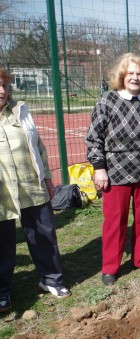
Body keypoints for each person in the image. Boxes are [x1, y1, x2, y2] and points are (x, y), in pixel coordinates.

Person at [85, 53, 140, 286]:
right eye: (130, 73)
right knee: (114, 222)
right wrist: (99, 168)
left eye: (139, 74)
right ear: (122, 76)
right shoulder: (107, 101)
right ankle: (110, 267)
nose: (135, 78)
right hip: (115, 171)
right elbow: (94, 138)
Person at [0, 68, 71, 312]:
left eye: (4, 86)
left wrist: (48, 179)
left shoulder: (20, 111)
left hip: (31, 184)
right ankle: (2, 291)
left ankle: (51, 279)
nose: (2, 91)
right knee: (2, 243)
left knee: (43, 234)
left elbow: (39, 146)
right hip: (2, 192)